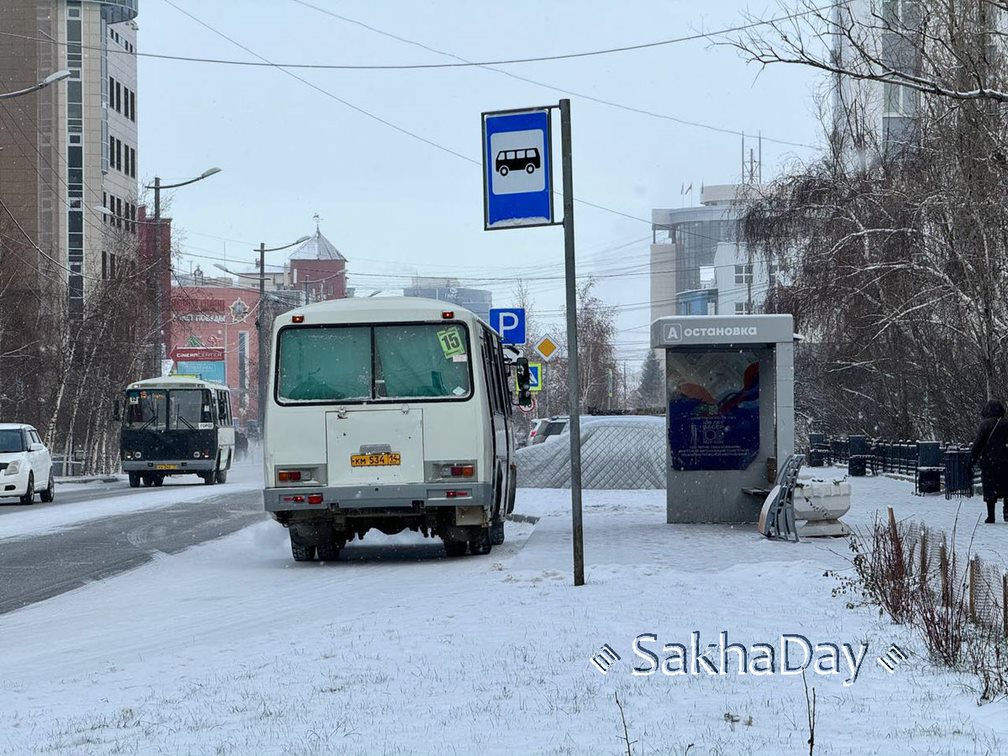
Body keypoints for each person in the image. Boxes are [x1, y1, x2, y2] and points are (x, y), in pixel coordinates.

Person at [969, 399, 1008, 523]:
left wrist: (971, 460)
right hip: (1006, 461)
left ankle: (991, 515)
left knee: (990, 488)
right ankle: (1007, 512)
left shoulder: (985, 425)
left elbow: (978, 444)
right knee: (1007, 487)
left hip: (989, 462)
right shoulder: (1006, 423)